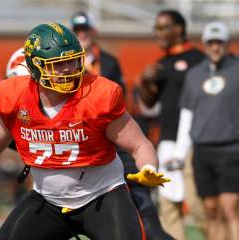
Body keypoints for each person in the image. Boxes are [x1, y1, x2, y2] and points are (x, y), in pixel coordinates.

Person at [0, 23, 169, 240]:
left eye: (72, 61)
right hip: (49, 200)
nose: (68, 69)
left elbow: (140, 144)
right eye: (57, 64)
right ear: (34, 67)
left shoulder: (97, 95)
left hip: (102, 196)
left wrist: (148, 167)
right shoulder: (15, 96)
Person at [71, 11, 175, 240]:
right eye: (77, 31)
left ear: (93, 31)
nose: (82, 35)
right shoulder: (65, 66)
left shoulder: (108, 61)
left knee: (143, 214)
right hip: (84, 152)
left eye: (85, 30)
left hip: (115, 144)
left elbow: (118, 103)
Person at [138, 10, 205, 240]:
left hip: (193, 141)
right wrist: (145, 82)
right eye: (156, 28)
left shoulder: (198, 59)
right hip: (167, 140)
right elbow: (149, 102)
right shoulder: (161, 63)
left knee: (199, 205)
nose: (158, 33)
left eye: (163, 27)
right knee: (168, 207)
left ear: (179, 28)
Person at [173, 21, 239, 240]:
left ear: (227, 44)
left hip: (232, 149)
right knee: (210, 210)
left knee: (230, 209)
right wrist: (180, 154)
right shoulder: (194, 75)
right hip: (202, 151)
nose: (215, 47)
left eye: (219, 42)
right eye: (211, 42)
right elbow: (187, 115)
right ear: (205, 44)